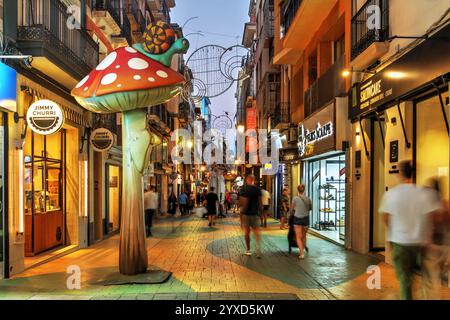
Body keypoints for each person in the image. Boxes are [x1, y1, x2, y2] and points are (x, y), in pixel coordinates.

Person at [379, 161, 442, 300]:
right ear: (414, 173)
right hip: (420, 243)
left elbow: (386, 218)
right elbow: (434, 217)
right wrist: (427, 235)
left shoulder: (392, 194)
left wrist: (391, 236)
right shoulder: (424, 194)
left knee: (405, 281)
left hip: (400, 243)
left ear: (400, 174)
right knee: (424, 279)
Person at [422, 177, 450, 300]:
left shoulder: (430, 207)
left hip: (433, 248)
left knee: (431, 282)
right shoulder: (446, 205)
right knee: (441, 278)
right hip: (445, 247)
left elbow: (428, 227)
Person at [239, 175, 262, 257]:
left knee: (247, 233)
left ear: (247, 180)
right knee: (256, 233)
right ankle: (258, 249)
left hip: (246, 214)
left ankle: (248, 250)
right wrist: (261, 213)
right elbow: (260, 203)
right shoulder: (257, 189)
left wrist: (240, 217)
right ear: (254, 180)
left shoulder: (244, 189)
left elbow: (241, 203)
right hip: (255, 214)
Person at [290, 184, 312, 259]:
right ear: (304, 190)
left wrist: (291, 215)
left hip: (297, 219)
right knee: (304, 236)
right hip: (306, 219)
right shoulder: (308, 198)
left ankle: (301, 253)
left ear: (297, 190)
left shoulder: (295, 198)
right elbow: (310, 208)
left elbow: (292, 209)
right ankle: (303, 250)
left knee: (298, 237)